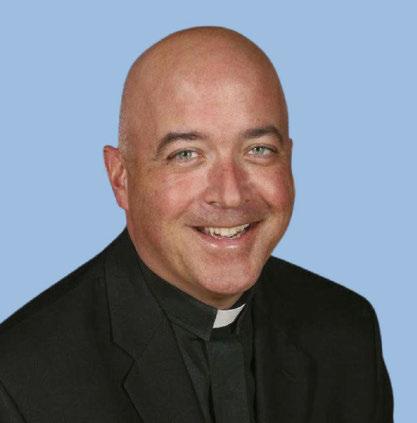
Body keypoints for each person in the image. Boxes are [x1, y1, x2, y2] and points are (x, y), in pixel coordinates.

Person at [0, 27, 393, 423]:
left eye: (258, 150)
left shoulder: (348, 331)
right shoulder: (17, 379)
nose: (231, 194)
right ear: (121, 177)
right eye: (186, 154)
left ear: (288, 160)